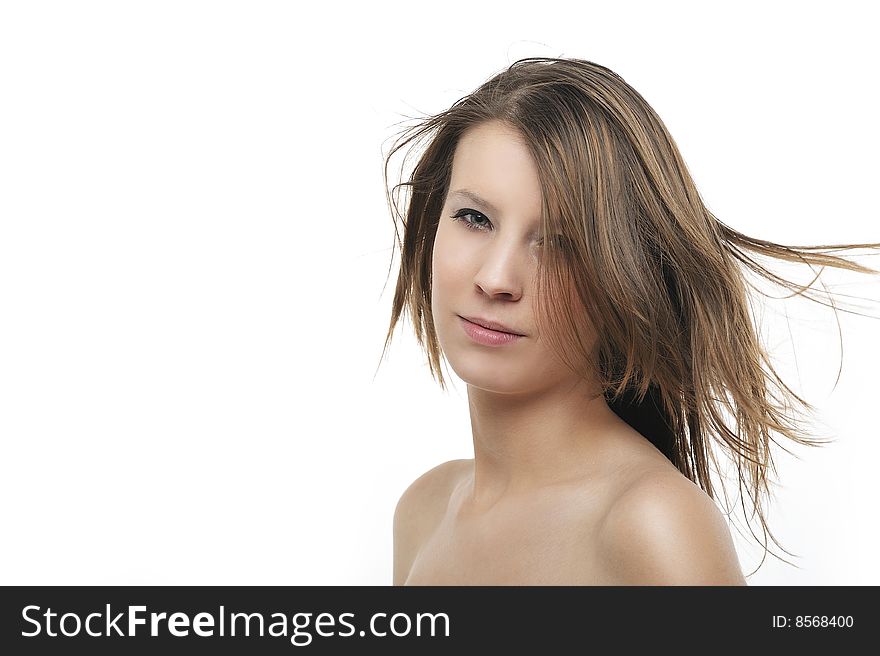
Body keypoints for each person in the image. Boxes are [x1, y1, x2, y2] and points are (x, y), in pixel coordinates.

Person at [378, 57, 879, 585]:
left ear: (626, 276)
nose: (496, 278)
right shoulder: (423, 513)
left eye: (561, 244)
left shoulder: (651, 524)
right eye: (474, 218)